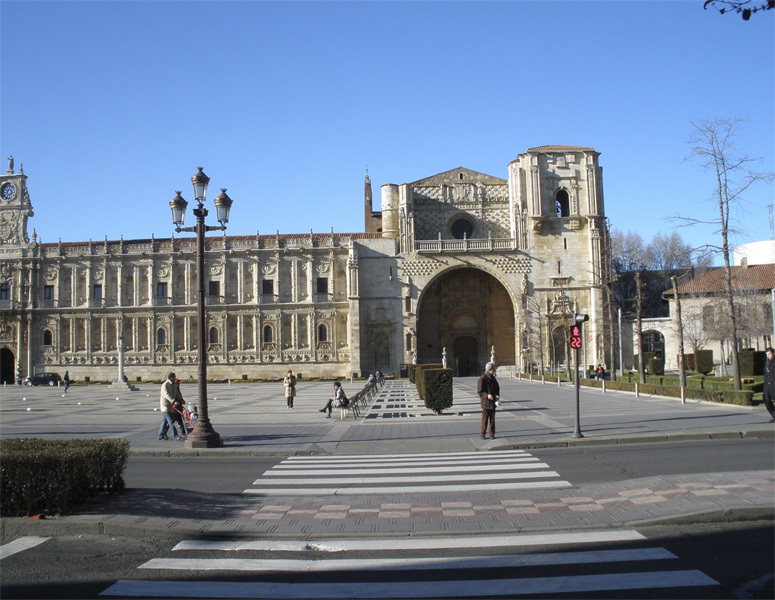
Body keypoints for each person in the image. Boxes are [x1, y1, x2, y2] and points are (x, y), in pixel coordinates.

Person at [477, 362, 500, 440]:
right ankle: (482, 434)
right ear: (489, 370)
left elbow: (497, 388)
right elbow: (480, 392)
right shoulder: (482, 379)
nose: (494, 371)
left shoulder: (493, 378)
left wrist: (497, 395)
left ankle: (492, 434)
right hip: (486, 403)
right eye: (493, 369)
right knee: (485, 419)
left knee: (492, 420)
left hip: (492, 401)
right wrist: (487, 396)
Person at [158, 372, 184, 441]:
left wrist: (181, 399)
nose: (175, 378)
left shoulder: (173, 385)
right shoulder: (165, 385)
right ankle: (175, 436)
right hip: (165, 406)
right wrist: (173, 401)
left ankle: (160, 435)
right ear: (171, 378)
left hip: (170, 406)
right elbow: (167, 395)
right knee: (171, 421)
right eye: (175, 377)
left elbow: (177, 393)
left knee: (164, 422)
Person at [763, 348, 775, 423]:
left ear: (773, 353)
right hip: (767, 384)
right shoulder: (766, 362)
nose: (768, 356)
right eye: (767, 354)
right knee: (766, 400)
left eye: (769, 354)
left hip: (774, 384)